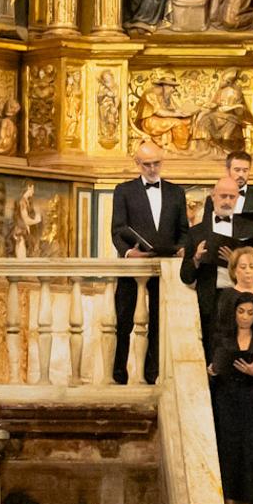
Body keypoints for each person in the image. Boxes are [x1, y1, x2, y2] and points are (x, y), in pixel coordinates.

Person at [110, 141, 189, 384]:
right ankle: (119, 372)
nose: (153, 168)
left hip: (164, 267)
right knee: (122, 320)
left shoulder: (177, 192)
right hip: (133, 267)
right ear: (137, 164)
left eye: (157, 163)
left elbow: (183, 230)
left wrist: (181, 249)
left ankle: (152, 371)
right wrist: (128, 253)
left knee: (158, 321)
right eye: (147, 164)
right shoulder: (123, 190)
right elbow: (118, 229)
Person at [181, 175, 253, 360]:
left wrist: (235, 262)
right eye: (223, 196)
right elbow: (186, 276)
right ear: (213, 196)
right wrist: (196, 259)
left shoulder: (250, 229)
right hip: (211, 298)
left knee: (242, 347)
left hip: (243, 297)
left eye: (232, 197)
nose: (227, 201)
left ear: (237, 198)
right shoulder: (196, 232)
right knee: (211, 348)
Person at [207, 293, 253, 504]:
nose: (245, 317)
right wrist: (212, 373)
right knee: (229, 454)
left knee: (252, 457)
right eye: (241, 311)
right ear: (234, 313)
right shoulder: (220, 338)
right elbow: (212, 370)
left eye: (250, 312)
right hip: (226, 400)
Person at [201, 150, 253, 230]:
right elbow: (206, 230)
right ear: (228, 170)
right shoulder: (212, 199)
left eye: (245, 170)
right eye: (237, 170)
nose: (241, 174)